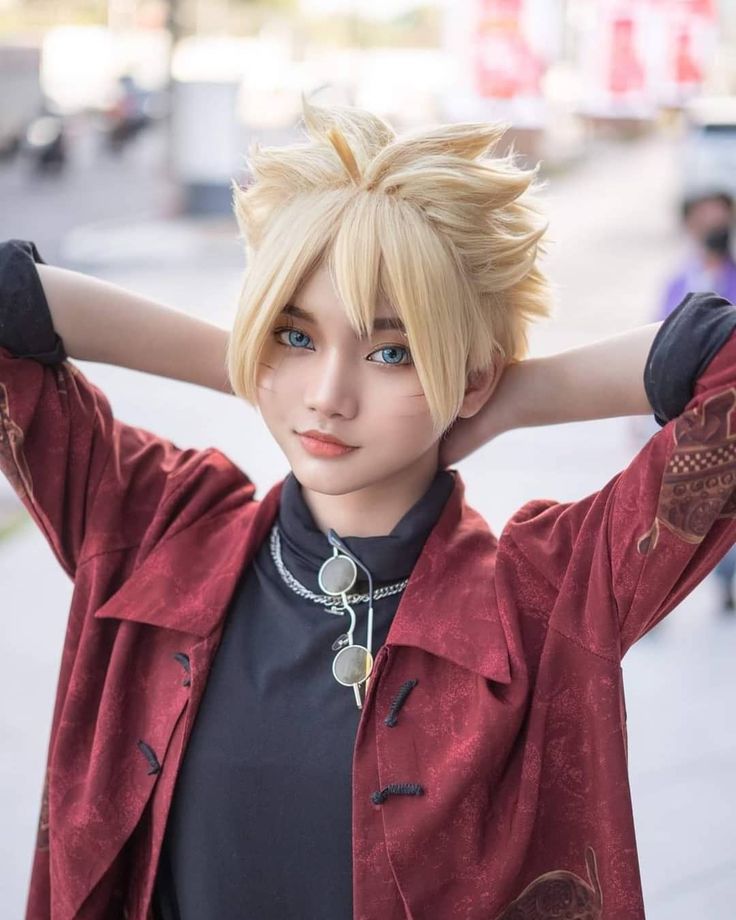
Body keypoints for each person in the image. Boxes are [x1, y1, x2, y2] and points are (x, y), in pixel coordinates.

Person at [2, 100, 736, 920]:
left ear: (470, 375)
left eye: (393, 352)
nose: (328, 398)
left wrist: (497, 399)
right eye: (296, 334)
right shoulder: (155, 534)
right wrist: (252, 364)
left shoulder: (544, 598)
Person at [659, 189, 736, 612]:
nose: (712, 226)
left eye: (720, 218)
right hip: (685, 420)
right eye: (704, 217)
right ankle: (657, 598)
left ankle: (725, 581)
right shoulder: (677, 282)